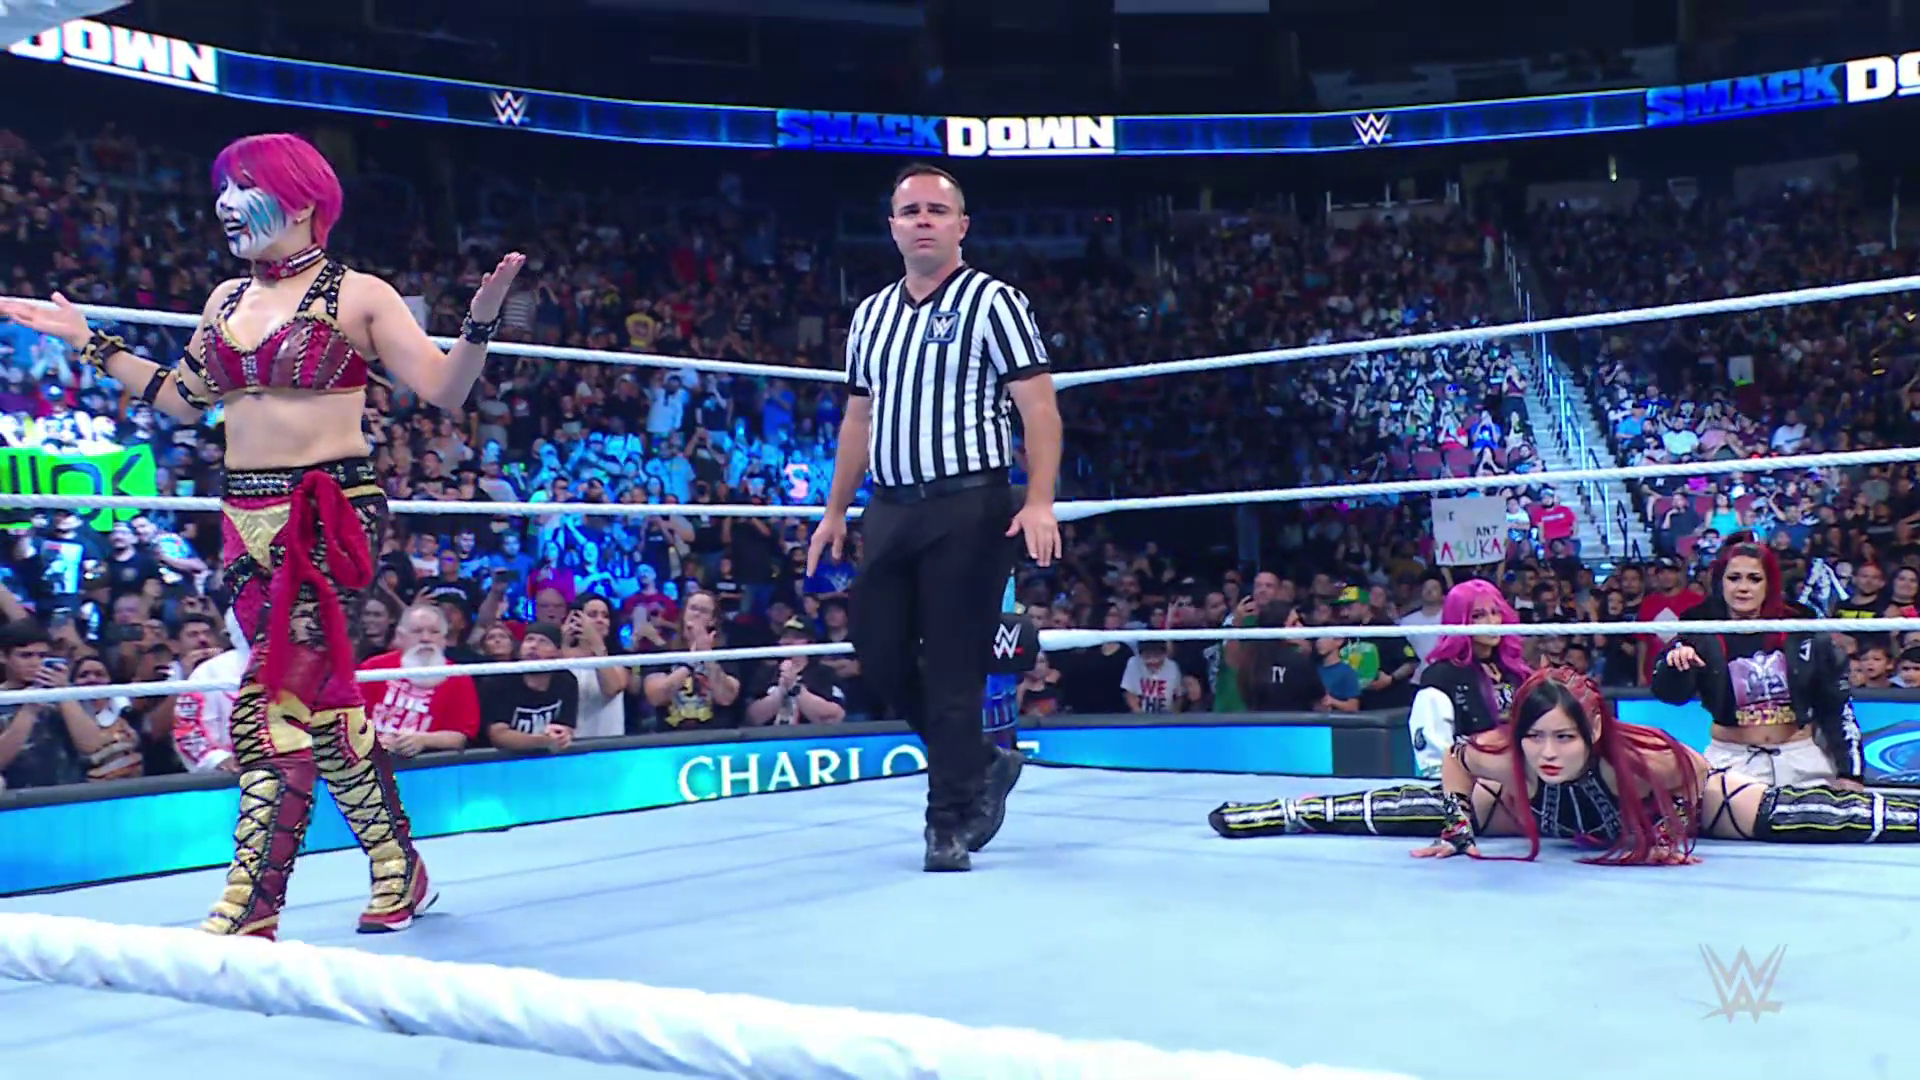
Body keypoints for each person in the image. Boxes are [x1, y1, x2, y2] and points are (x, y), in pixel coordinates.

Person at [0, 132, 525, 940]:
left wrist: (479, 324)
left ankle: (255, 899)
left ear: (302, 198)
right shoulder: (224, 299)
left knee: (268, 703)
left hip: (328, 514)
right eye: (222, 187)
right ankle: (399, 865)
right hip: (243, 518)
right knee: (327, 705)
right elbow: (181, 400)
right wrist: (87, 341)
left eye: (244, 185)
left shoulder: (360, 294)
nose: (224, 203)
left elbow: (444, 390)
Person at [807, 163, 1063, 873]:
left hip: (970, 505)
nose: (923, 220)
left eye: (936, 210)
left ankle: (947, 821)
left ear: (961, 226)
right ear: (892, 226)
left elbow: (1038, 406)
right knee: (878, 649)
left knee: (952, 668)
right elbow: (858, 418)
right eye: (910, 210)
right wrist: (835, 510)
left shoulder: (995, 302)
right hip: (890, 505)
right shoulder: (871, 315)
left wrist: (1039, 499)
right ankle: (981, 761)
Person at [1207, 667, 1920, 857]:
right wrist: (1457, 825)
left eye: (1563, 739)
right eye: (1536, 737)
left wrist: (1665, 834)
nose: (1547, 752)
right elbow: (1454, 761)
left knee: (1789, 818)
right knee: (1419, 810)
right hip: (1545, 817)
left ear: (1591, 733)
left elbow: (1696, 774)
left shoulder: (1634, 757)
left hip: (1671, 807)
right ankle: (1282, 813)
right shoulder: (1504, 754)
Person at [1650, 534, 1861, 788]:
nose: (1743, 587)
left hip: (1801, 759)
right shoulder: (1700, 629)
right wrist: (1675, 667)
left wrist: (1850, 772)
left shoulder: (1801, 627)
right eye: (1734, 578)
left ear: (1768, 584)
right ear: (1721, 582)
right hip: (1732, 760)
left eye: (1754, 578)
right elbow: (1670, 695)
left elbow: (1837, 704)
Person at [1404, 578, 1534, 777]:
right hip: (1469, 780)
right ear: (1460, 621)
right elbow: (1434, 755)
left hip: (1521, 776)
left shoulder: (1513, 670)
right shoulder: (1441, 676)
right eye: (1478, 616)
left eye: (1495, 612)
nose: (1491, 622)